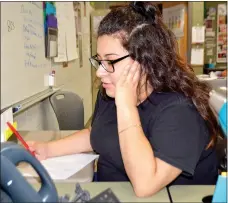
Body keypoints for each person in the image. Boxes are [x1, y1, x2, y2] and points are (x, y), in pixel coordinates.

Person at [28, 2, 220, 197]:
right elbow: (97, 134)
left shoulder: (180, 111)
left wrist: (126, 106)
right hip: (110, 194)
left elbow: (145, 185)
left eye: (110, 61)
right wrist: (47, 149)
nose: (100, 72)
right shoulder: (110, 92)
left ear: (145, 60)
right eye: (99, 61)